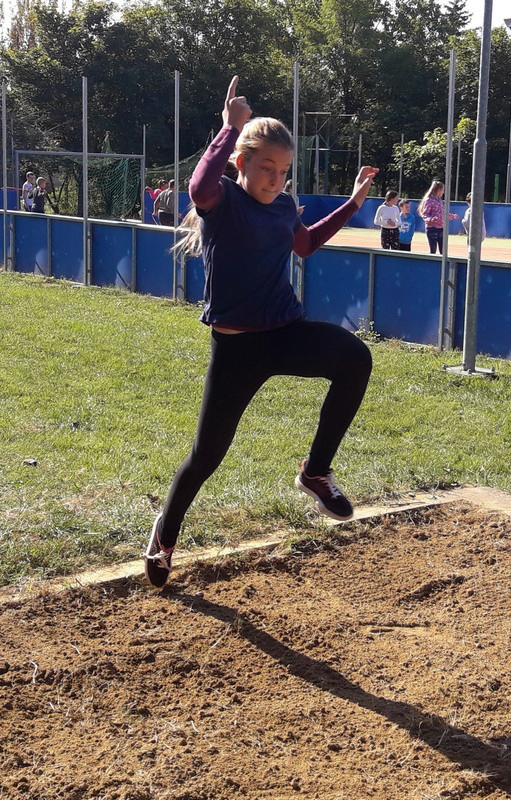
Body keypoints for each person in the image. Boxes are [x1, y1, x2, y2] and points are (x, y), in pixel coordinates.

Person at [143, 76, 378, 589]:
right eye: (267, 167)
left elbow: (305, 245)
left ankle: (315, 473)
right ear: (242, 163)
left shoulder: (283, 207)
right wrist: (230, 127)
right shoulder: (222, 200)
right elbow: (197, 188)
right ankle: (165, 536)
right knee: (206, 456)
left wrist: (354, 204)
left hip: (285, 332)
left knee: (355, 358)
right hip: (237, 348)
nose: (275, 179)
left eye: (283, 170)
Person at [418, 180, 458, 254]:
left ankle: (442, 261)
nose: (443, 192)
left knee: (443, 251)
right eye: (443, 190)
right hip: (432, 229)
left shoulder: (440, 200)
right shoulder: (429, 200)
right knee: (433, 250)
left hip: (441, 228)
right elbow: (425, 214)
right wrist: (431, 219)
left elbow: (442, 213)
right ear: (438, 190)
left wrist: (452, 216)